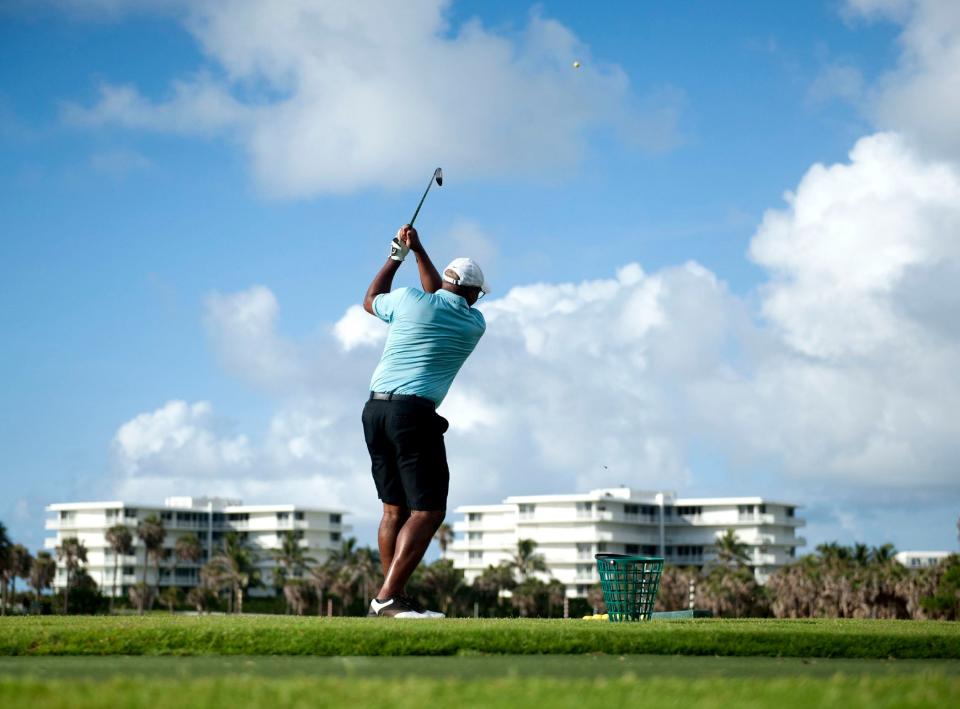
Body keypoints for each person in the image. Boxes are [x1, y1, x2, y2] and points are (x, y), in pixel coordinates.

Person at [362, 224, 488, 618]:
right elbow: (444, 294)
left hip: (374, 410)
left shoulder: (407, 300)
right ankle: (387, 597)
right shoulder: (473, 323)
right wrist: (418, 253)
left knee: (392, 511)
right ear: (472, 295)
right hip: (412, 414)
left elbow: (370, 300)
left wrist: (398, 255)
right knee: (429, 511)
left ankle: (390, 599)